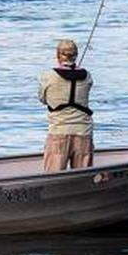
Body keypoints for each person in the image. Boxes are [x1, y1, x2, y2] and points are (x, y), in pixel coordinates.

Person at [39, 39, 94, 172]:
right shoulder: (87, 76)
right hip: (83, 132)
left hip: (59, 132)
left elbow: (43, 99)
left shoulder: (48, 77)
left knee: (53, 178)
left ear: (58, 56)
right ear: (76, 56)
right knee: (83, 178)